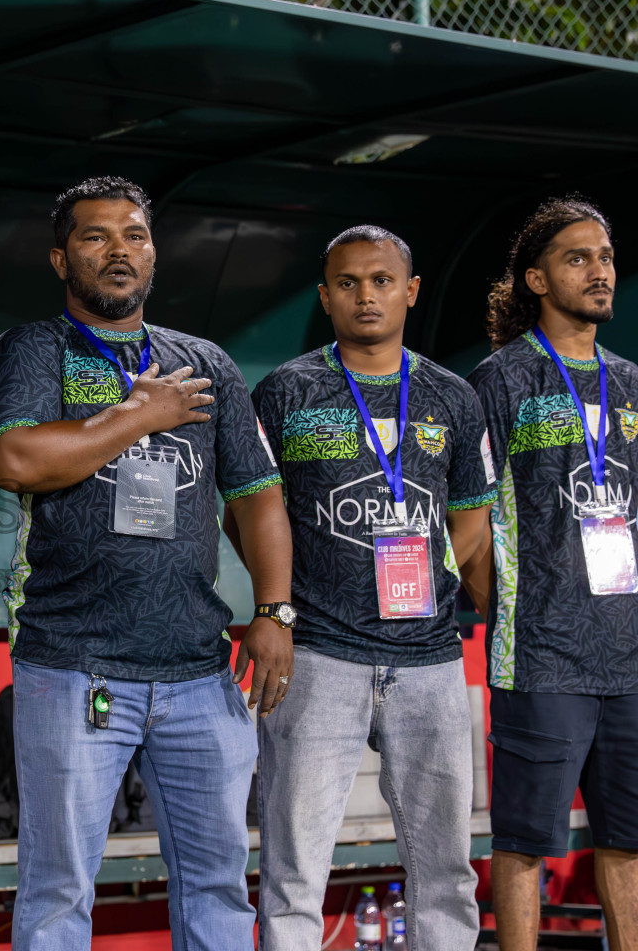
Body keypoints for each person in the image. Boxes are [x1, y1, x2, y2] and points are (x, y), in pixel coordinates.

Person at [0, 176, 293, 951]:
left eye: (135, 235)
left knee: (219, 886)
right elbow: (15, 458)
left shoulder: (206, 363)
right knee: (57, 894)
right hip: (75, 669)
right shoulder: (33, 349)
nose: (119, 251)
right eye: (95, 236)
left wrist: (275, 609)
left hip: (199, 673)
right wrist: (137, 416)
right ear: (61, 258)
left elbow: (256, 497)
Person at [248, 226, 496, 950]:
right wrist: (280, 610)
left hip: (431, 661)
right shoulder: (286, 391)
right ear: (325, 297)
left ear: (411, 291)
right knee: (295, 871)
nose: (367, 295)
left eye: (382, 280)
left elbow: (472, 532)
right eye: (349, 283)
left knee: (446, 867)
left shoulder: (453, 396)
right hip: (319, 655)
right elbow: (251, 514)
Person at [469, 196, 638, 951]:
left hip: (629, 655)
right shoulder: (501, 381)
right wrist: (505, 611)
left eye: (604, 256)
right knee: (526, 844)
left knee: (629, 841)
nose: (600, 271)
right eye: (579, 258)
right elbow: (468, 524)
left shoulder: (631, 381)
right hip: (541, 655)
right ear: (536, 278)